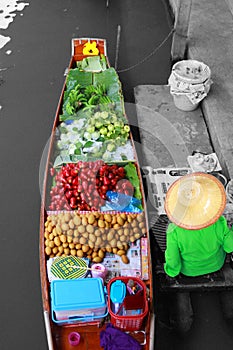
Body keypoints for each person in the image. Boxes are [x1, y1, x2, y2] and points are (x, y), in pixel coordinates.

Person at [163, 172, 233, 332]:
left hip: (188, 272)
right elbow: (230, 247)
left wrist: (170, 272)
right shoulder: (219, 222)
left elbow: (173, 261)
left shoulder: (173, 230)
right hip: (216, 265)